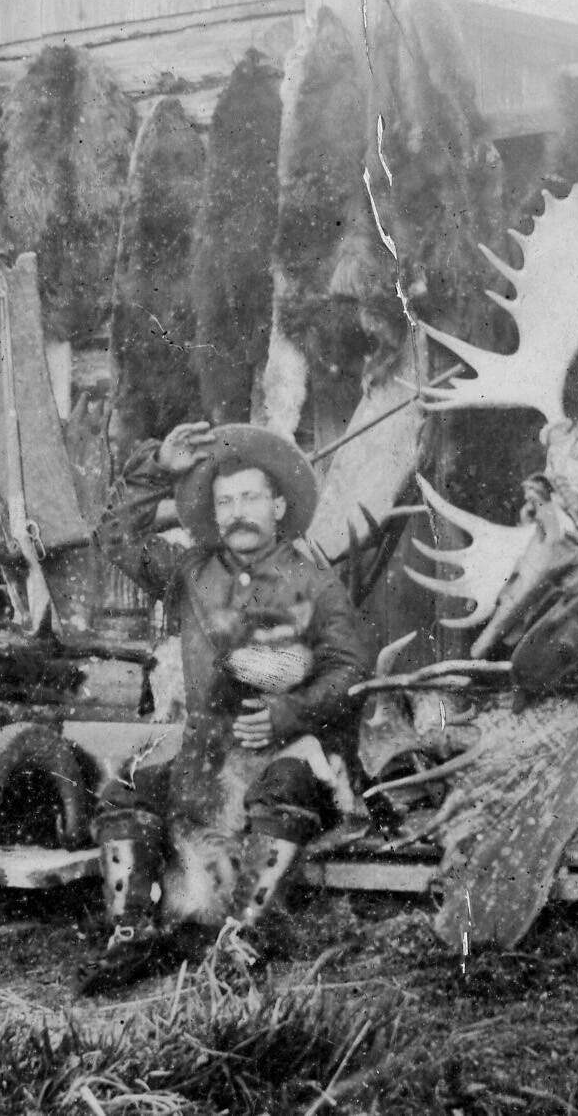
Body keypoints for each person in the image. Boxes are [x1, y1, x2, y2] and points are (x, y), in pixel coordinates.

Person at [78, 421, 372, 992]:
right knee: (126, 793)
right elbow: (116, 538)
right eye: (225, 501)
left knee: (282, 787)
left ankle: (243, 937)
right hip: (203, 760)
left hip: (283, 752)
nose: (237, 512)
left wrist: (292, 713)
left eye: (250, 498)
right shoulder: (190, 573)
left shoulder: (316, 584)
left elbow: (352, 670)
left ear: (279, 506)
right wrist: (154, 469)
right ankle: (131, 936)